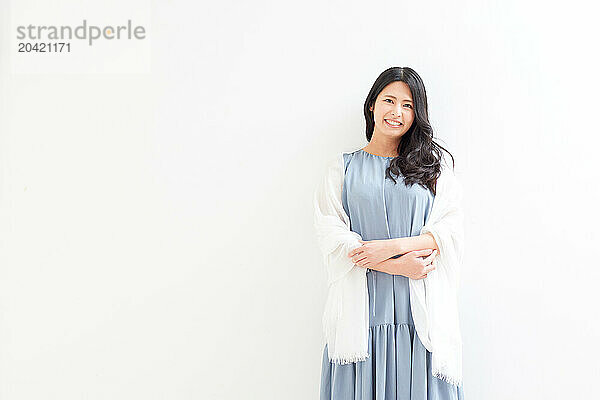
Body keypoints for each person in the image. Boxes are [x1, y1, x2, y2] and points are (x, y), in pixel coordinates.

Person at [315, 66, 465, 399]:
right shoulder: (342, 169)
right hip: (361, 319)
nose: (397, 112)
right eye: (389, 100)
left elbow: (449, 230)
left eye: (408, 105)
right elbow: (332, 236)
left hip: (419, 318)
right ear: (372, 105)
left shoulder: (434, 167)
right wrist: (396, 265)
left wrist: (390, 247)